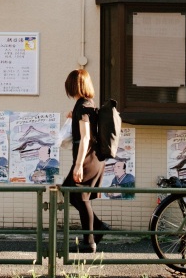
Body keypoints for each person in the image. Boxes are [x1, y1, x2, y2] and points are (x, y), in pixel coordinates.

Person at [62, 68, 108, 253]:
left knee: (81, 196)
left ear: (73, 86)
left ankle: (89, 242)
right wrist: (73, 116)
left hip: (88, 159)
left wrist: (79, 165)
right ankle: (98, 227)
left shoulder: (83, 106)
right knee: (70, 191)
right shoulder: (86, 104)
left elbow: (86, 137)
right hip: (92, 157)